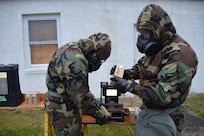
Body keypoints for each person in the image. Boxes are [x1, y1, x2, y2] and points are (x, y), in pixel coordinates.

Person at [110, 4, 198, 136]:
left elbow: (162, 96)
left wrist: (130, 86)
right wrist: (128, 74)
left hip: (164, 118)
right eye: (141, 34)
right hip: (150, 114)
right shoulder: (160, 46)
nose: (142, 39)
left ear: (158, 30)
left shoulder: (181, 56)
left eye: (145, 34)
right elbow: (145, 66)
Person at [44, 33, 111, 136]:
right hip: (62, 107)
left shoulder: (72, 47)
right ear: (94, 52)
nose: (99, 63)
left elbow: (80, 88)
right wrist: (100, 116)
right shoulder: (76, 61)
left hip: (61, 101)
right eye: (100, 59)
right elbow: (82, 99)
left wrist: (94, 101)